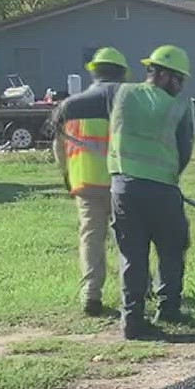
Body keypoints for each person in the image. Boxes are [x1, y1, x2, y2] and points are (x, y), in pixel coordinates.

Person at [55, 45, 195, 339]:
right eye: (180, 79)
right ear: (167, 76)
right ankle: (168, 308)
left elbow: (77, 107)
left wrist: (58, 114)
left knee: (132, 253)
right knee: (171, 248)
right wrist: (168, 177)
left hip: (123, 188)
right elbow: (185, 150)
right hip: (162, 189)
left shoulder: (119, 94)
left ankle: (132, 321)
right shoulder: (180, 106)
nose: (181, 85)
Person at [47, 47, 130, 317]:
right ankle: (136, 292)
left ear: (93, 72)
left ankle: (91, 293)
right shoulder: (132, 103)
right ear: (123, 72)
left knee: (91, 237)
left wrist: (66, 176)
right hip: (125, 181)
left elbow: (59, 149)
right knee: (130, 238)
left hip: (86, 182)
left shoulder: (69, 106)